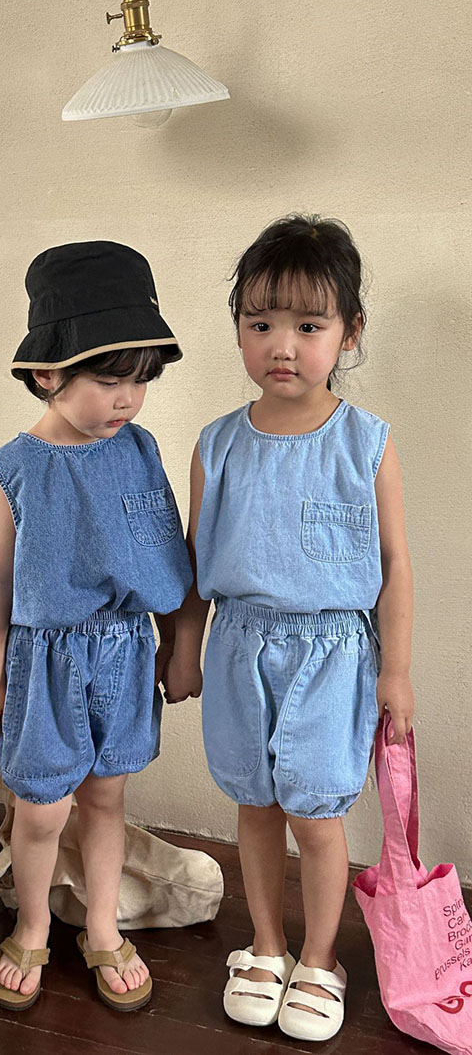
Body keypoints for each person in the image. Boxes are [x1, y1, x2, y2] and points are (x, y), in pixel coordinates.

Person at [164, 214, 414, 1042]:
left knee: (316, 812)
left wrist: (397, 671)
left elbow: (394, 565)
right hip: (239, 646)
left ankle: (319, 957)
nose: (282, 345)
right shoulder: (217, 445)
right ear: (238, 328)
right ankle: (266, 945)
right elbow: (195, 560)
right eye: (260, 323)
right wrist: (186, 649)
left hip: (334, 653)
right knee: (256, 801)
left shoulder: (365, 443)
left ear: (349, 332)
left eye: (309, 326)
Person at [0, 240, 192, 1012]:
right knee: (41, 810)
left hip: (124, 655)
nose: (127, 399)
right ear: (47, 373)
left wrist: (177, 643)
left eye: (141, 380)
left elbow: (163, 550)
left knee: (106, 801)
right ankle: (32, 924)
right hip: (43, 661)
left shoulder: (140, 451)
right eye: (108, 379)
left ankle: (101, 925)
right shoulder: (14, 468)